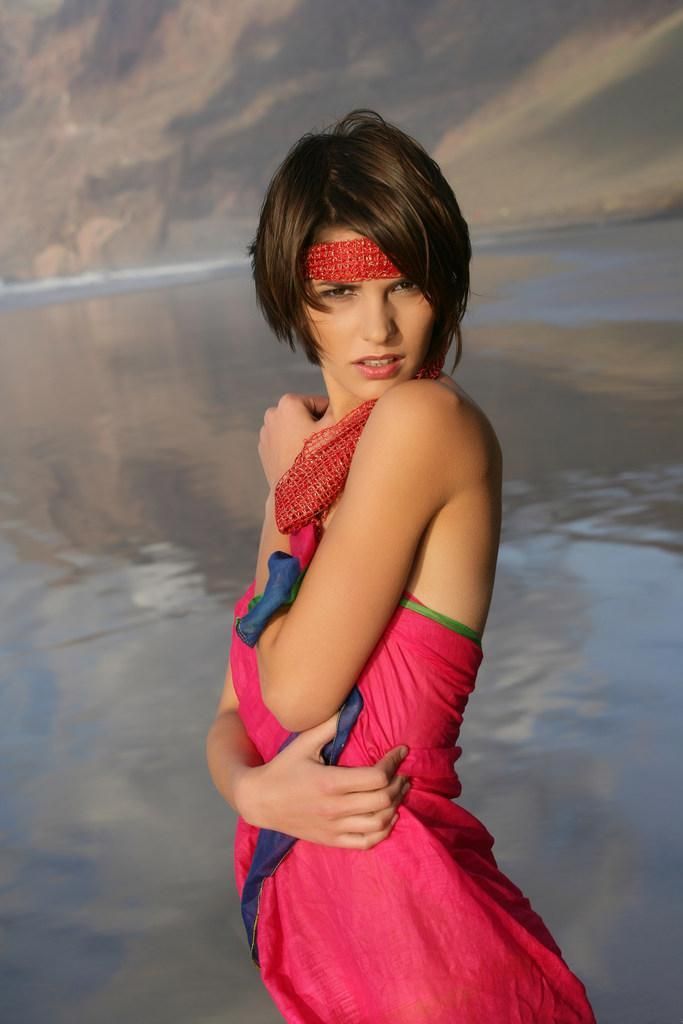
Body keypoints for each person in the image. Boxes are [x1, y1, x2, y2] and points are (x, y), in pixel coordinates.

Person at [206, 109, 597, 1023]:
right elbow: (232, 718)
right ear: (290, 298)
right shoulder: (307, 471)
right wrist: (258, 793)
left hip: (429, 957)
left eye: (404, 285)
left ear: (444, 285)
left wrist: (283, 491)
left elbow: (296, 692)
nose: (376, 327)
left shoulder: (425, 427)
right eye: (338, 293)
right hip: (330, 954)